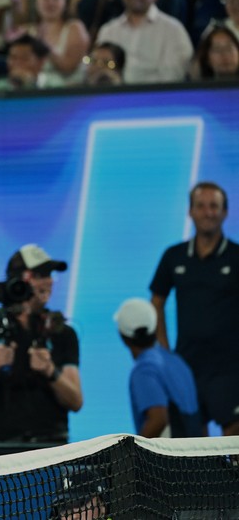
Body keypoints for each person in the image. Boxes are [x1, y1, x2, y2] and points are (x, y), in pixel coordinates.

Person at [0, 244, 83, 443]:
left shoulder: (62, 332)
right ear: (19, 279)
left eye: (50, 275)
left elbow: (76, 401)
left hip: (51, 448)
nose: (49, 281)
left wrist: (50, 370)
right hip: (0, 449)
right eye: (41, 275)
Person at [149, 181, 239, 436]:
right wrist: (165, 353)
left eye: (214, 206)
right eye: (201, 206)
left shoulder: (236, 256)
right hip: (186, 367)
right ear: (190, 212)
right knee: (191, 452)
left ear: (225, 212)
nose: (208, 212)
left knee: (235, 447)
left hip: (231, 370)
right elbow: (157, 300)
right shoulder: (173, 256)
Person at [114, 298, 201, 438]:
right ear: (155, 328)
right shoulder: (177, 362)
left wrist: (133, 454)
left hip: (171, 457)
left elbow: (158, 418)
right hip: (194, 455)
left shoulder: (144, 370)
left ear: (122, 337)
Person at [95, 0, 193, 84]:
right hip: (115, 98)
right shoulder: (108, 30)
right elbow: (99, 70)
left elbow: (173, 75)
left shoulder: (173, 30)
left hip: (157, 99)